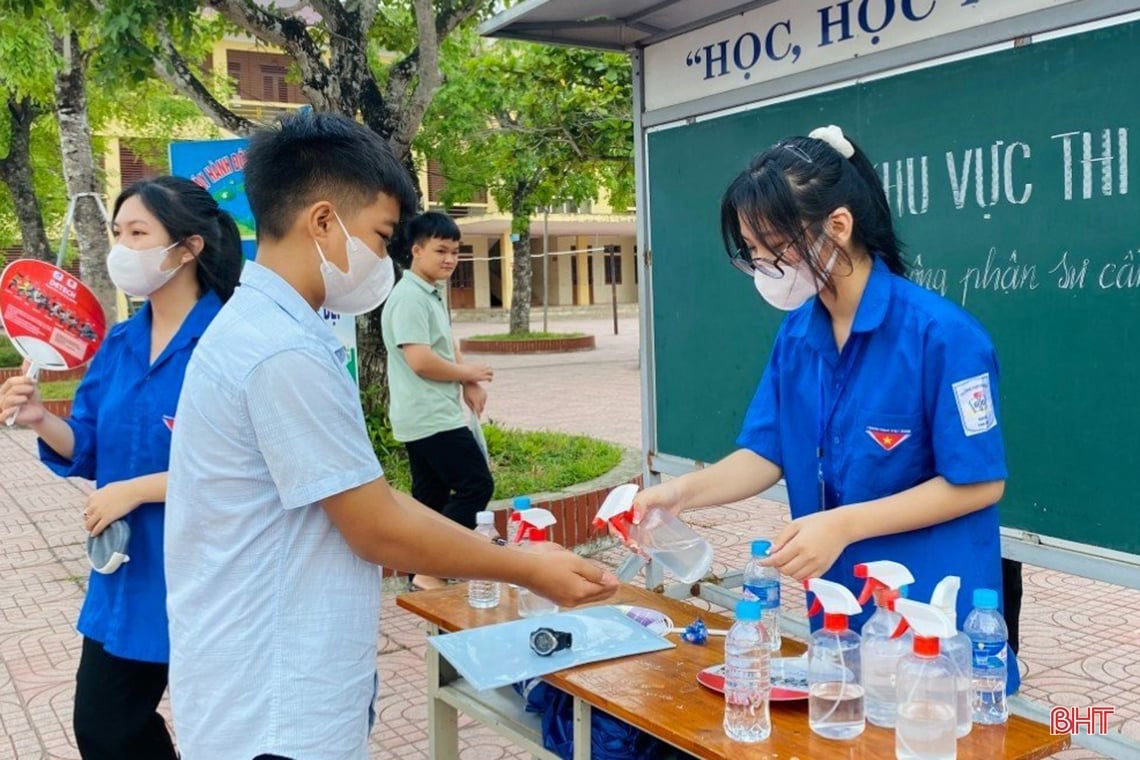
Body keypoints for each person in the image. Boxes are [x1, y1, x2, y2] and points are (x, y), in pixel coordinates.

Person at [163, 111, 618, 760]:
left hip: (273, 683)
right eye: (381, 238)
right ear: (322, 220)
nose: (384, 260)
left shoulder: (276, 331)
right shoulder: (278, 352)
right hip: (274, 710)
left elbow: (365, 497)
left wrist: (506, 557)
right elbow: (374, 527)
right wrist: (529, 569)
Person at [628, 124, 1019, 693]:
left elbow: (980, 484)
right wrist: (678, 494)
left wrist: (843, 524)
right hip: (840, 615)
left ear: (838, 225)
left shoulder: (942, 336)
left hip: (932, 627)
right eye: (753, 252)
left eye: (775, 246)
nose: (765, 265)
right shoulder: (798, 335)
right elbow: (765, 453)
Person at [0, 176, 244, 758]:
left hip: (210, 573)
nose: (121, 249)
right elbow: (86, 444)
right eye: (117, 233)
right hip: (128, 573)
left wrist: (136, 489)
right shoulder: (120, 342)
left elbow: (245, 467)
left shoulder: (231, 342)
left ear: (188, 248)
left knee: (229, 735)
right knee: (105, 729)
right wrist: (39, 417)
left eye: (139, 233)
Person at [381, 211, 495, 590]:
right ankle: (433, 567)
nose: (449, 259)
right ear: (416, 250)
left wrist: (467, 386)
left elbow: (445, 345)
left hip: (429, 413)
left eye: (455, 252)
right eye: (440, 250)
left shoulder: (429, 293)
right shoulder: (409, 298)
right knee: (476, 485)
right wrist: (470, 374)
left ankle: (420, 574)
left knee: (428, 498)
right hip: (430, 416)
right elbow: (421, 360)